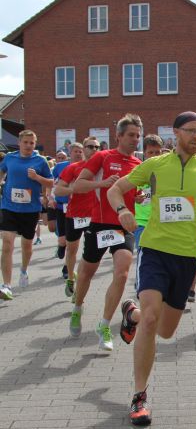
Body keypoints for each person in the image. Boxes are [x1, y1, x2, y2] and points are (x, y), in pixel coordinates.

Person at [107, 111, 196, 426]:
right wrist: (122, 211)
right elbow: (114, 189)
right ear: (176, 132)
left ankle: (131, 314)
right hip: (155, 251)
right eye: (191, 131)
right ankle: (139, 396)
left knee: (165, 330)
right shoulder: (155, 165)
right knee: (151, 320)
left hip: (186, 257)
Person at [71, 114, 142, 351]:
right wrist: (101, 184)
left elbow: (135, 193)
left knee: (122, 273)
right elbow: (78, 185)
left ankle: (104, 325)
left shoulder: (138, 164)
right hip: (100, 224)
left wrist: (139, 197)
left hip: (123, 226)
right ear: (118, 136)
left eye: (138, 135)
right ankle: (77, 307)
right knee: (85, 274)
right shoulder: (103, 157)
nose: (135, 139)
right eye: (131, 135)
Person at [0, 130, 54, 299]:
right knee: (7, 243)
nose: (29, 145)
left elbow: (51, 182)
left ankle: (23, 270)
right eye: (26, 142)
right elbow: (1, 173)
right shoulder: (9, 158)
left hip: (30, 210)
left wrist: (37, 177)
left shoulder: (40, 161)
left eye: (32, 143)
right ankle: (6, 285)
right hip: (9, 207)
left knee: (26, 245)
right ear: (19, 143)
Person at [53, 137, 99, 305]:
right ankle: (70, 278)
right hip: (75, 215)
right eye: (90, 146)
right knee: (72, 249)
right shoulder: (73, 168)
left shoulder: (102, 168)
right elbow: (58, 190)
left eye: (97, 147)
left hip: (95, 216)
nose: (93, 149)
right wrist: (73, 189)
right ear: (84, 148)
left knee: (88, 254)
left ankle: (79, 288)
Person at [133, 135, 164, 288]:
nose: (154, 156)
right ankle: (140, 286)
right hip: (142, 222)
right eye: (150, 152)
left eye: (157, 152)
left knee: (162, 257)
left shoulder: (167, 173)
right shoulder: (138, 171)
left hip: (163, 222)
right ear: (144, 153)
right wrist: (134, 198)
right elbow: (126, 193)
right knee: (144, 254)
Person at [50, 146, 80, 279]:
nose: (78, 154)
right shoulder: (60, 167)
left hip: (77, 209)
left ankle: (67, 268)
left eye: (80, 151)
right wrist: (51, 198)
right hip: (62, 207)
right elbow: (52, 184)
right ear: (70, 153)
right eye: (75, 151)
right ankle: (60, 246)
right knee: (63, 240)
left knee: (72, 242)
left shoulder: (86, 167)